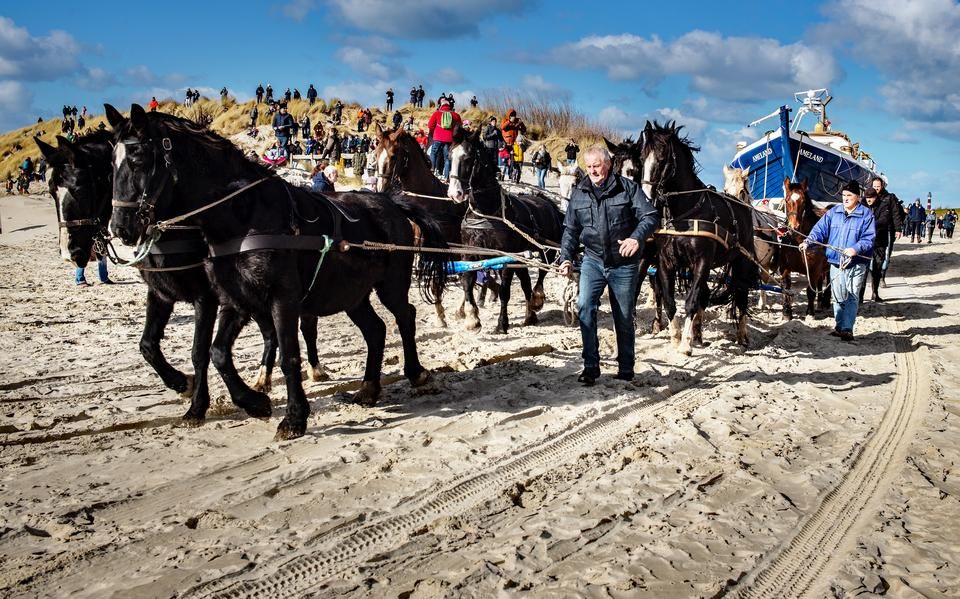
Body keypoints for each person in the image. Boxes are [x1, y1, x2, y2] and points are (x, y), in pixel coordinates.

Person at [558, 146, 658, 385]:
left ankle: (626, 368)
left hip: (623, 264)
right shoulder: (579, 193)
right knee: (584, 308)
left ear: (608, 164)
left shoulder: (628, 188)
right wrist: (566, 258)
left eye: (597, 166)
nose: (593, 171)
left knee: (622, 315)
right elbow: (571, 230)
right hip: (593, 261)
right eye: (589, 166)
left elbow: (651, 216)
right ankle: (590, 367)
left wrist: (636, 237)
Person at [799, 180, 875, 341]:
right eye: (843, 195)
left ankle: (847, 329)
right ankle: (839, 326)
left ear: (857, 197)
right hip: (835, 261)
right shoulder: (834, 212)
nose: (845, 198)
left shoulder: (866, 214)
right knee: (839, 296)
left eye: (849, 195)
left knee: (852, 295)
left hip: (856, 262)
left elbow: (869, 238)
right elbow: (820, 229)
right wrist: (808, 241)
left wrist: (855, 249)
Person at [870, 176, 902, 287]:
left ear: (882, 186)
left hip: (887, 230)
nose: (876, 189)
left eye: (878, 186)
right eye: (874, 186)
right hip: (871, 230)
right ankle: (874, 278)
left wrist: (898, 229)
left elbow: (896, 213)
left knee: (885, 256)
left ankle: (882, 277)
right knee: (871, 255)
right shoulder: (869, 197)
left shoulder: (890, 197)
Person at [426, 97, 461, 181]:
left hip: (437, 137)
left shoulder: (437, 113)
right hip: (449, 139)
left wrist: (436, 130)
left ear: (441, 105)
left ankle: (432, 169)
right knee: (447, 158)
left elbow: (430, 125)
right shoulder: (455, 115)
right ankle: (446, 177)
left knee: (433, 153)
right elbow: (460, 126)